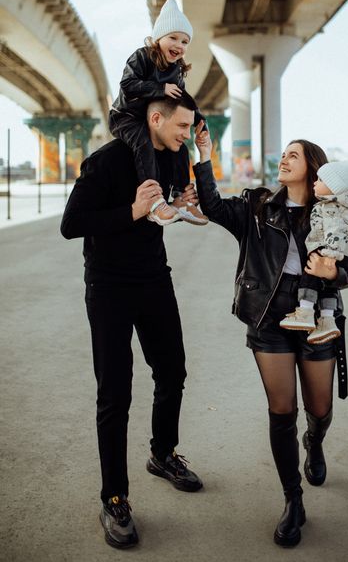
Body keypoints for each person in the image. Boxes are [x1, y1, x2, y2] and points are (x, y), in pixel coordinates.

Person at [193, 126, 348, 548]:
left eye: (294, 156)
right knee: (281, 409)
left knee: (318, 406)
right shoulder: (257, 206)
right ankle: (293, 499)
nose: (284, 161)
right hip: (268, 316)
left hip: (317, 317)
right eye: (283, 155)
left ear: (313, 168)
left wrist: (335, 273)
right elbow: (211, 205)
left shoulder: (335, 209)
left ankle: (315, 439)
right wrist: (204, 154)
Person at [61, 95, 204, 550]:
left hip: (153, 278)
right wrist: (132, 211)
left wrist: (179, 204)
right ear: (155, 118)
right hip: (108, 287)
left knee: (173, 372)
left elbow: (166, 214)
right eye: (181, 125)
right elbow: (72, 223)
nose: (186, 134)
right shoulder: (105, 161)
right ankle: (114, 497)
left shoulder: (178, 156)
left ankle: (162, 454)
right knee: (115, 393)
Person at [109, 0, 208, 227]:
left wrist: (200, 122)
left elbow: (182, 103)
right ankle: (154, 202)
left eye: (184, 42)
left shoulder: (177, 71)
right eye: (173, 38)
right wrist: (160, 88)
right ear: (158, 39)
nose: (179, 45)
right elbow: (127, 85)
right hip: (125, 116)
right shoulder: (142, 57)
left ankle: (181, 199)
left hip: (151, 120)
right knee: (143, 143)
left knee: (180, 150)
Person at [280, 157, 348, 343]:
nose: (315, 183)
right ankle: (327, 319)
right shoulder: (341, 205)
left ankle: (305, 311)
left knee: (310, 274)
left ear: (334, 187)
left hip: (331, 250)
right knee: (327, 286)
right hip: (341, 253)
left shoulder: (333, 207)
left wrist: (330, 254)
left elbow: (336, 230)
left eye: (320, 180)